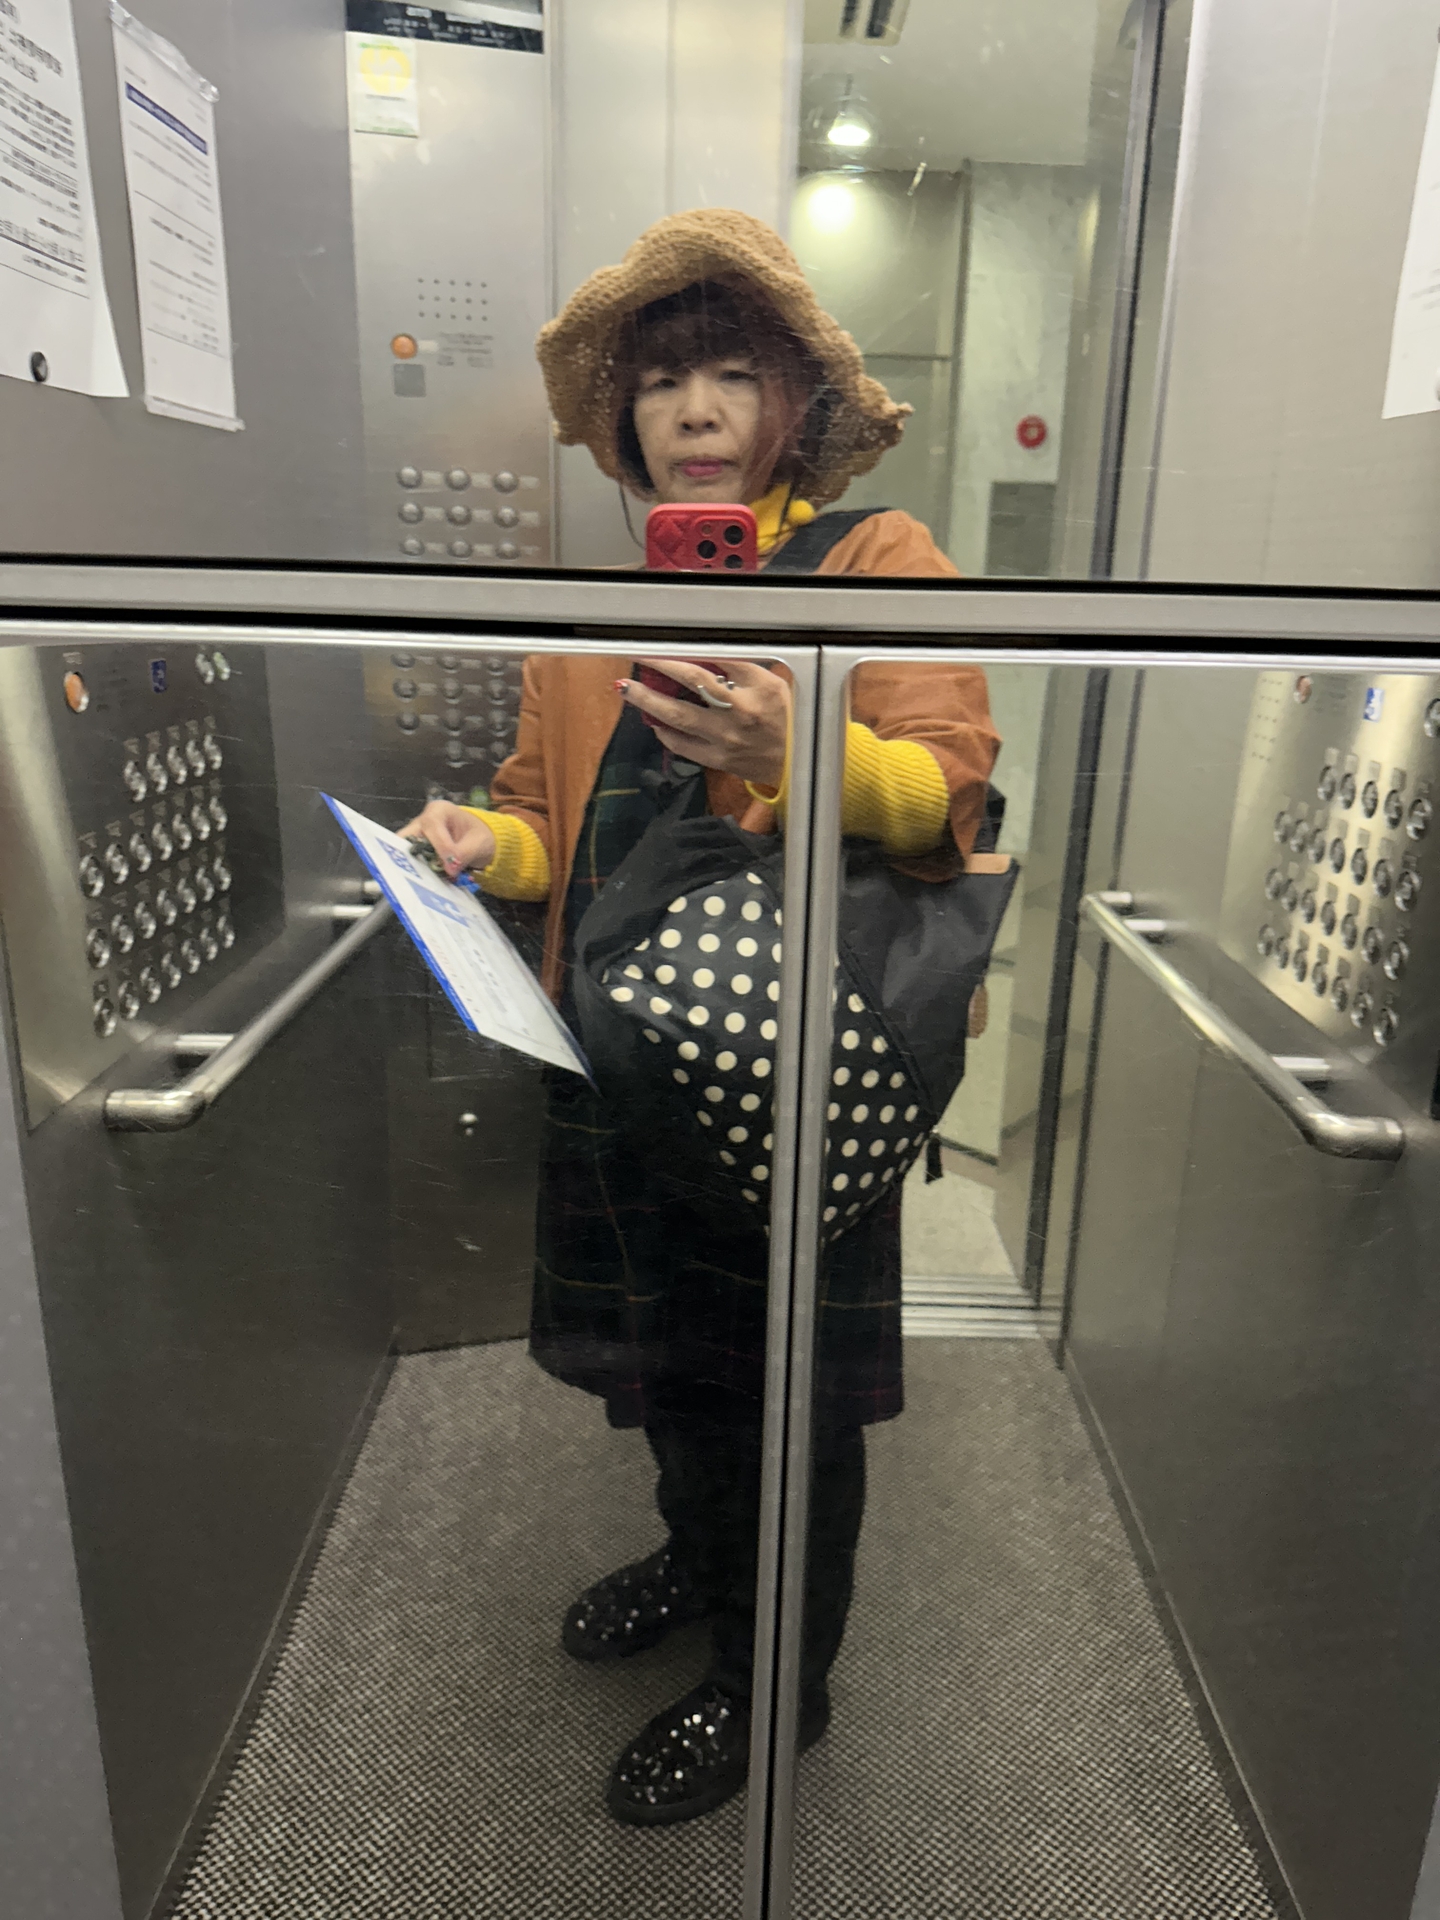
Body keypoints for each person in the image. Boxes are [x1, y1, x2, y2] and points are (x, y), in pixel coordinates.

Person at [404, 208, 1000, 1826]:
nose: (695, 408)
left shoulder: (878, 563)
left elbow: (944, 799)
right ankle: (696, 1553)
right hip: (617, 1055)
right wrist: (481, 844)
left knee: (782, 1396)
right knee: (674, 1364)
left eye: (733, 373)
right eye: (662, 382)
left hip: (790, 1062)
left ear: (794, 405)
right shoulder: (584, 620)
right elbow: (549, 824)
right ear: (627, 422)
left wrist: (791, 749)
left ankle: (774, 1683)